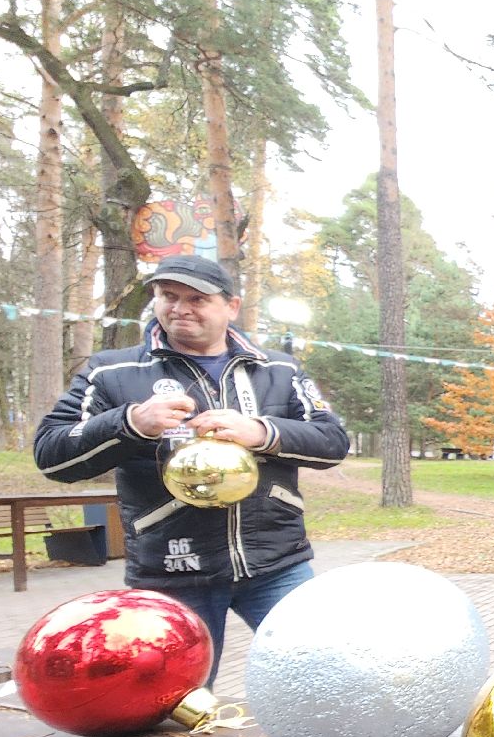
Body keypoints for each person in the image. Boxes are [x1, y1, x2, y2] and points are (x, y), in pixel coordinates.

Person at [34, 255, 350, 680]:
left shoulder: (277, 368)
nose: (180, 309)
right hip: (172, 570)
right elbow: (52, 455)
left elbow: (332, 442)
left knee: (328, 677)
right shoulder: (111, 371)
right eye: (168, 296)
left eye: (197, 299)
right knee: (180, 702)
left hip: (277, 564)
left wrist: (261, 432)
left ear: (230, 307)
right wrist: (129, 423)